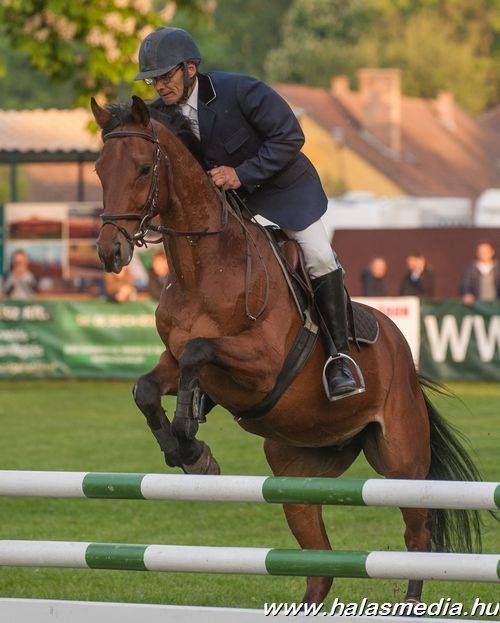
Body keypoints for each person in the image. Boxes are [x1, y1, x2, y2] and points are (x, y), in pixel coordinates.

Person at [135, 26, 356, 397]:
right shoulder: (159, 115)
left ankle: (339, 357)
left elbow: (290, 137)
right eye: (152, 80)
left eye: (165, 76)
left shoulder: (240, 90)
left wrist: (241, 174)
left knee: (319, 255)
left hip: (284, 192)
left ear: (190, 68)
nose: (159, 86)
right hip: (233, 208)